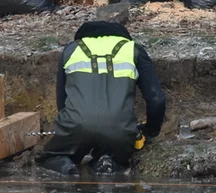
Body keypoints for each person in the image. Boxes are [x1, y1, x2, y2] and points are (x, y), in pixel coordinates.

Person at [38, 20, 166, 174]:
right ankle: (107, 163)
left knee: (52, 156)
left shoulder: (71, 50)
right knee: (117, 157)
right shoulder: (133, 49)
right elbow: (156, 99)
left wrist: (67, 130)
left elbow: (62, 101)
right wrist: (150, 131)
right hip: (119, 132)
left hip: (75, 126)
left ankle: (64, 164)